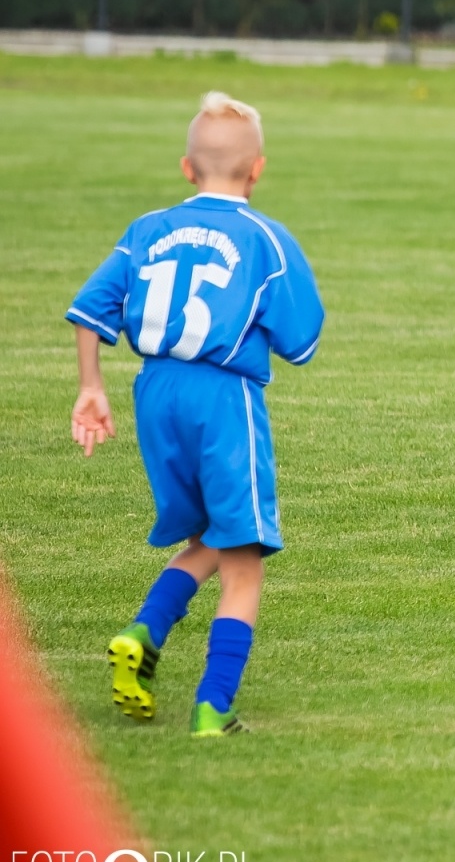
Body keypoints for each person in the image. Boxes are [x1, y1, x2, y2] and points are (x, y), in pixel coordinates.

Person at [68, 91, 325, 737]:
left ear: (186, 168)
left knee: (209, 534)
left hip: (154, 391)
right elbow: (302, 342)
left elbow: (90, 308)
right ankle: (213, 708)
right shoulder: (267, 237)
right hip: (222, 396)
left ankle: (144, 633)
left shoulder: (146, 228)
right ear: (258, 170)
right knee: (244, 562)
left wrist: (91, 387)